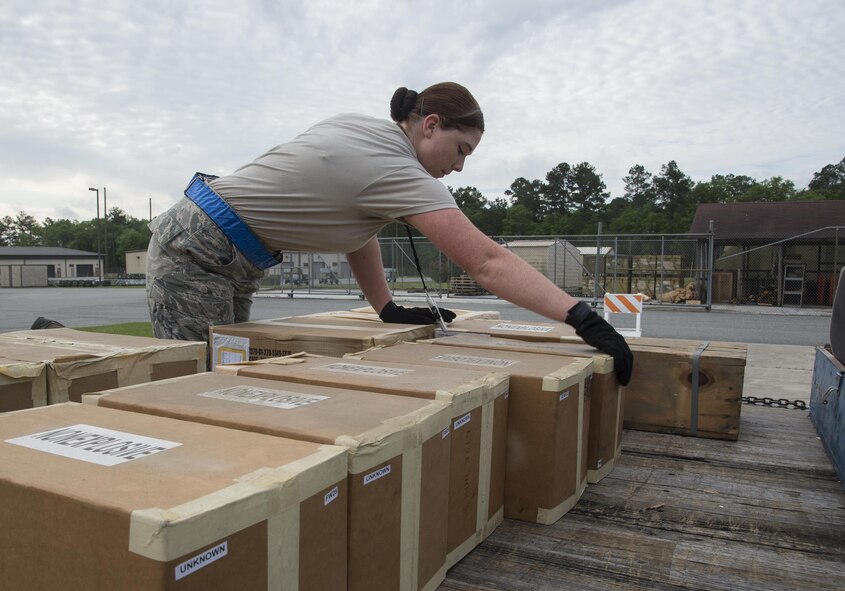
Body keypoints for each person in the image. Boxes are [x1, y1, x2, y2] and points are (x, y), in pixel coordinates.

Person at [146, 82, 633, 385]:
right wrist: (582, 317)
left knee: (230, 377)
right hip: (197, 252)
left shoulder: (367, 131)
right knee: (198, 388)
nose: (459, 167)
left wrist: (386, 307)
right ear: (431, 125)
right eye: (459, 150)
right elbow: (486, 261)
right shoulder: (396, 169)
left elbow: (357, 228)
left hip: (223, 251)